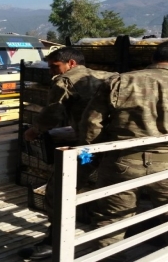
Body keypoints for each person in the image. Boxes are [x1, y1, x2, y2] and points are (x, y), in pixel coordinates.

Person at [78, 40, 168, 256]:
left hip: (121, 162)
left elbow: (91, 123)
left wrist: (93, 154)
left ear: (153, 58)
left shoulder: (120, 81)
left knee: (111, 222)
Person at [19, 47, 117, 260]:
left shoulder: (64, 81)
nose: (51, 71)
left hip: (88, 148)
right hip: (117, 147)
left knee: (58, 191)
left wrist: (34, 130)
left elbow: (53, 113)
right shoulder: (110, 77)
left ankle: (54, 242)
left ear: (71, 64)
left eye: (55, 66)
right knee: (115, 192)